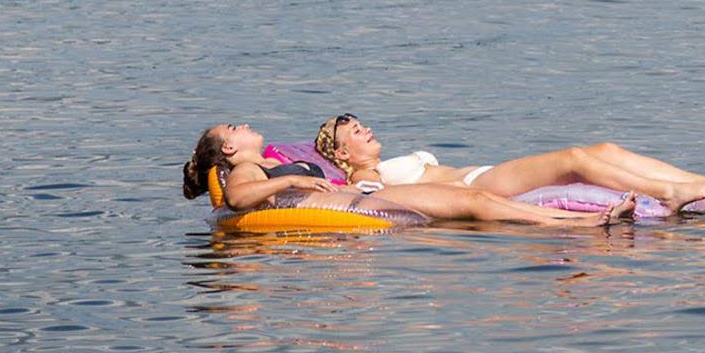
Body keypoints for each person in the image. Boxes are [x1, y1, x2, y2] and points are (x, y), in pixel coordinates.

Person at [183, 124, 635, 227]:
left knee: (470, 202)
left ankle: (577, 222)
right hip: (346, 208)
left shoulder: (266, 159)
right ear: (228, 147)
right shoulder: (245, 166)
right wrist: (293, 181)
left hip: (354, 200)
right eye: (235, 128)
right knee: (472, 204)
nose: (244, 127)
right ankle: (584, 223)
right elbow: (240, 201)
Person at [314, 114, 705, 213]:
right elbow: (362, 197)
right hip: (479, 184)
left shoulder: (381, 162)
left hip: (482, 173)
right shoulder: (365, 176)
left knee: (603, 149)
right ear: (341, 155)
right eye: (352, 130)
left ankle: (703, 180)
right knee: (576, 159)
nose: (364, 129)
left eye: (360, 123)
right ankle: (670, 192)